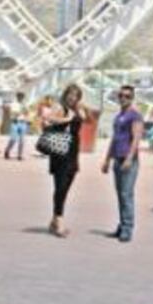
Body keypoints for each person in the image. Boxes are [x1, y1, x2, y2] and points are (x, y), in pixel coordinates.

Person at [101, 85, 144, 243]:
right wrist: (107, 159)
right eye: (121, 95)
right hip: (117, 159)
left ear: (132, 98)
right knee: (120, 194)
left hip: (128, 160)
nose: (123, 98)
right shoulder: (119, 116)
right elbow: (115, 138)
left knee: (126, 194)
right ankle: (122, 224)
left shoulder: (135, 116)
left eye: (127, 96)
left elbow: (136, 138)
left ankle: (127, 228)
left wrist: (129, 158)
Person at [43, 84, 86, 238]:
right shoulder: (59, 107)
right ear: (65, 94)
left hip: (73, 152)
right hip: (60, 149)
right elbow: (48, 118)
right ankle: (59, 221)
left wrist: (78, 110)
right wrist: (67, 119)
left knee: (67, 185)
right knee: (60, 186)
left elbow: (85, 118)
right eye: (70, 94)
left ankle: (54, 219)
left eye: (76, 95)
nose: (72, 97)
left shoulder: (78, 108)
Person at [4, 91, 31, 160]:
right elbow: (14, 113)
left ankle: (19, 155)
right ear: (17, 97)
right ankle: (7, 150)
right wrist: (21, 111)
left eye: (22, 97)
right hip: (15, 122)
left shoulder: (25, 104)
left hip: (23, 122)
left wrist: (27, 120)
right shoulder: (14, 104)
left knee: (22, 140)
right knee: (13, 139)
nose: (21, 98)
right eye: (19, 96)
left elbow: (27, 113)